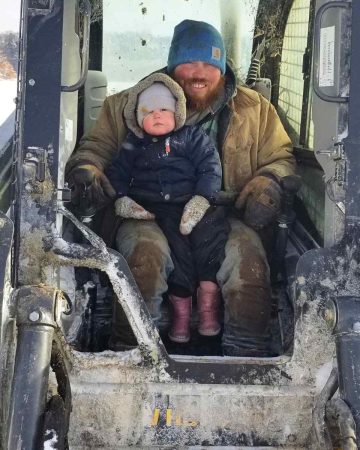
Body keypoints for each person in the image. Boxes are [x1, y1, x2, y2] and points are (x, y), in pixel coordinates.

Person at [66, 19, 295, 356]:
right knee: (145, 258)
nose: (198, 72)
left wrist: (269, 181)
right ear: (173, 66)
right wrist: (87, 170)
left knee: (248, 261)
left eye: (209, 63)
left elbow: (281, 156)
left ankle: (247, 357)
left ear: (222, 67)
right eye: (188, 62)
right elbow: (94, 150)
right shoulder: (128, 105)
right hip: (145, 211)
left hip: (223, 213)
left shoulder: (256, 110)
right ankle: (132, 354)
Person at [105, 72, 229, 343]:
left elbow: (210, 167)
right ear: (137, 117)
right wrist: (122, 199)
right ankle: (181, 316)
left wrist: (202, 199)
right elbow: (117, 173)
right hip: (161, 212)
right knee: (178, 254)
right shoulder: (132, 145)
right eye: (148, 111)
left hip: (197, 204)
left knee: (211, 242)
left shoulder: (192, 138)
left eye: (164, 109)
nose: (157, 115)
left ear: (178, 112)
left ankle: (209, 306)